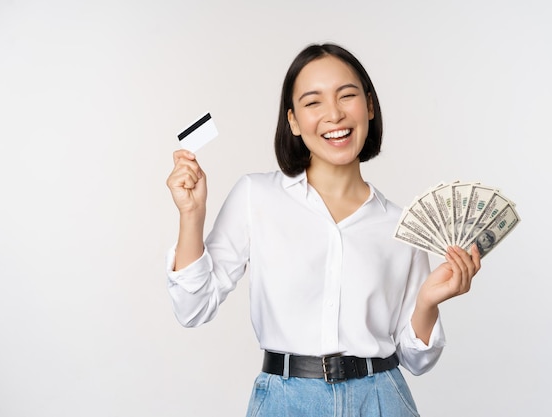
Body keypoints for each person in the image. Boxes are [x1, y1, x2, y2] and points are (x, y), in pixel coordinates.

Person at [165, 43, 481, 417]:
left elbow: (417, 360)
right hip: (285, 402)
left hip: (381, 399)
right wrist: (192, 215)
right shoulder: (256, 195)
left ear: (369, 107)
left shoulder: (401, 225)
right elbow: (192, 307)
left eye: (347, 96)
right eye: (313, 102)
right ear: (294, 121)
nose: (334, 114)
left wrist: (428, 300)